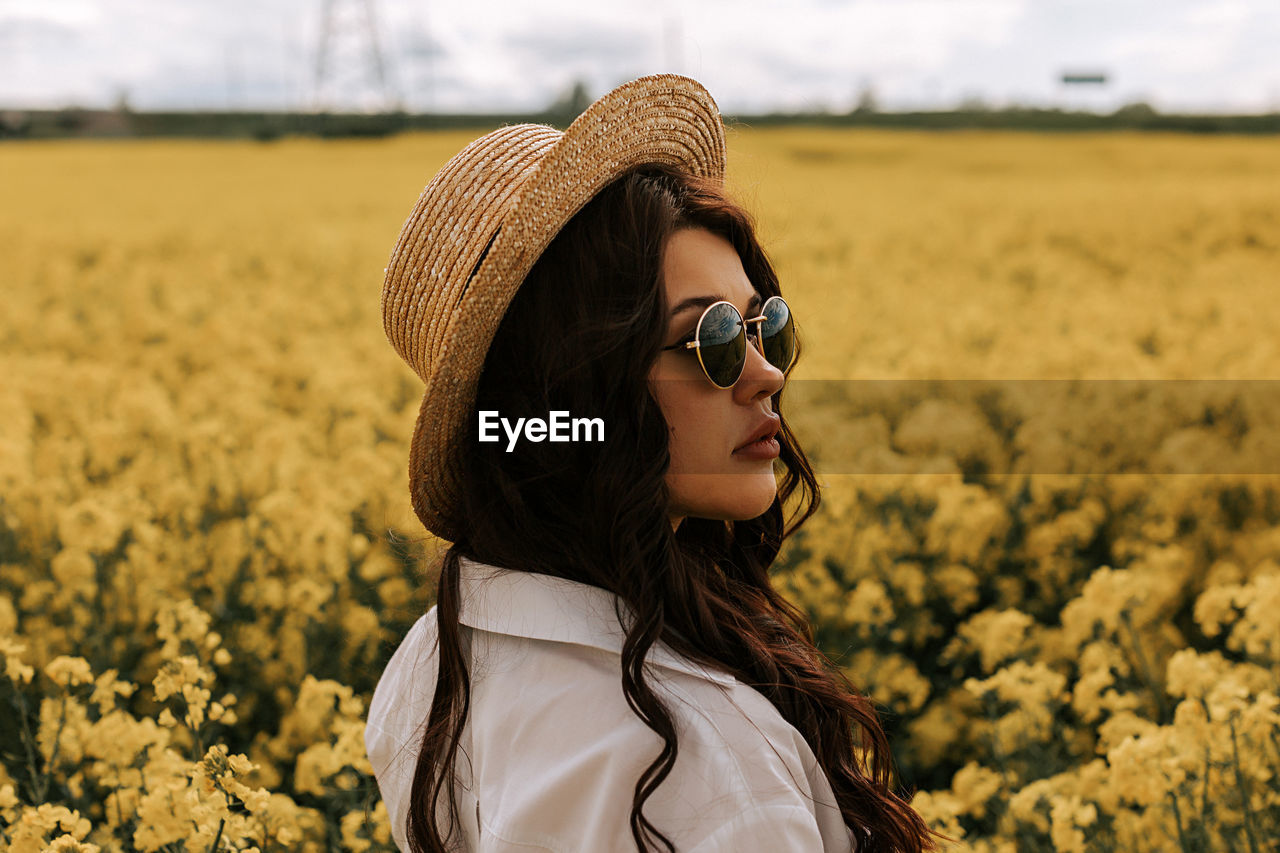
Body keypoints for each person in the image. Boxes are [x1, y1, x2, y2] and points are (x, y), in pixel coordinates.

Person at [365, 74, 945, 853]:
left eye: (763, 325)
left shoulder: (431, 666)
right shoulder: (711, 775)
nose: (766, 372)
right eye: (710, 342)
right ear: (580, 390)